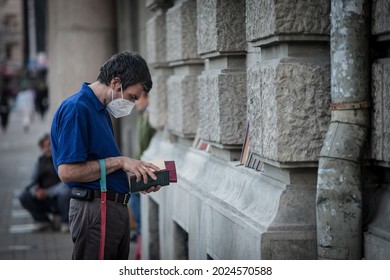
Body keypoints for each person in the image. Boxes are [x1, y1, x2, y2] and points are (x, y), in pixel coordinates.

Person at [50, 51, 161, 260]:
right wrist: (120, 161)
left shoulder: (100, 110)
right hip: (96, 211)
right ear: (115, 82)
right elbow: (67, 171)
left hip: (110, 210)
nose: (132, 104)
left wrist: (139, 179)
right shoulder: (77, 109)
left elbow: (101, 169)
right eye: (131, 97)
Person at [18, 133, 71, 233]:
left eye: (51, 144)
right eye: (47, 145)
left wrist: (48, 192)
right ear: (42, 147)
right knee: (23, 195)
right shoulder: (39, 162)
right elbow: (31, 182)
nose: (50, 148)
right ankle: (43, 221)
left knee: (66, 192)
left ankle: (65, 222)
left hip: (59, 198)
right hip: (44, 198)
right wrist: (36, 192)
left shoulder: (62, 160)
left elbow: (65, 182)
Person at [130, 90, 156, 259]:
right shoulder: (141, 115)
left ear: (146, 97)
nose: (135, 103)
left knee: (136, 195)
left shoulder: (149, 117)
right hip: (139, 164)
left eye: (137, 99)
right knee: (134, 196)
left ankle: (140, 230)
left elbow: (145, 141)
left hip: (146, 165)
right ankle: (139, 230)